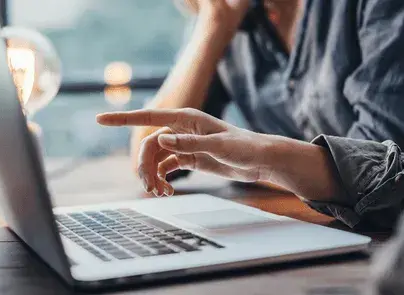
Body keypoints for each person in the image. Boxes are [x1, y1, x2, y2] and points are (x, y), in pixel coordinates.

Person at [127, 0, 404, 229]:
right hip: (307, 228)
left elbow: (382, 168)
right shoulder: (233, 19)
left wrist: (267, 161)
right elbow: (152, 157)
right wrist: (214, 21)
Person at [96, 108, 404, 295]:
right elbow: (149, 150)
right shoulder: (243, 36)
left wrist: (271, 160)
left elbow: (383, 154)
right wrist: (215, 23)